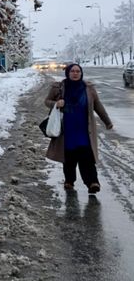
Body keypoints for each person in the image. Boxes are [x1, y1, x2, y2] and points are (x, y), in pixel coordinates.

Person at [45, 63, 113, 194]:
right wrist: (56, 103)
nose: (75, 73)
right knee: (69, 156)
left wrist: (107, 121)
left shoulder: (88, 88)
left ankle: (92, 182)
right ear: (68, 73)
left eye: (78, 71)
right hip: (67, 129)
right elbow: (47, 101)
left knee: (86, 156)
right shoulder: (59, 87)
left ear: (81, 73)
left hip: (84, 129)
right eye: (72, 71)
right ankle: (69, 181)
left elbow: (98, 105)